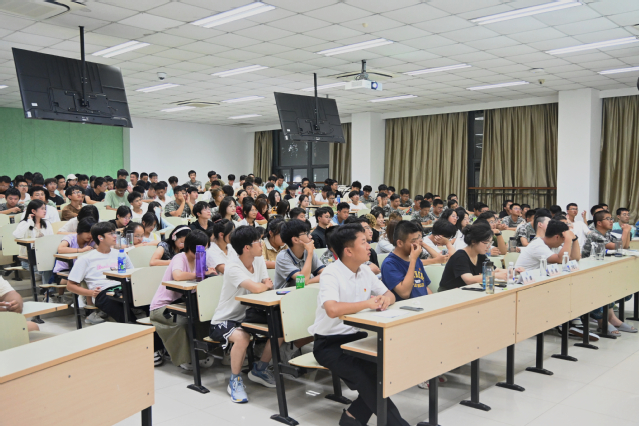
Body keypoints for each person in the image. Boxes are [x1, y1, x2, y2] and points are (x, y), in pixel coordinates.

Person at [308, 223, 408, 426]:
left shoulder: (364, 271)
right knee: (368, 380)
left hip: (357, 339)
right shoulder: (331, 273)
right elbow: (332, 309)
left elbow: (389, 294)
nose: (369, 246)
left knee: (383, 375)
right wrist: (367, 303)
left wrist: (385, 299)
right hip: (329, 344)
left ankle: (352, 418)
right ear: (349, 251)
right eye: (363, 242)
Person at [209, 226, 279, 402]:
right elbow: (258, 287)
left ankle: (260, 369)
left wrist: (263, 286)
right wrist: (263, 286)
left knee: (280, 328)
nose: (261, 244)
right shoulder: (233, 267)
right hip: (224, 320)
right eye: (258, 241)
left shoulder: (258, 260)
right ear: (247, 247)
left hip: (248, 316)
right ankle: (235, 380)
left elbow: (266, 282)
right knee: (242, 337)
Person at [150, 230, 214, 370]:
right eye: (201, 248)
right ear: (191, 247)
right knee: (183, 322)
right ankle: (185, 358)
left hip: (183, 303)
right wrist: (200, 274)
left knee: (202, 318)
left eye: (205, 248)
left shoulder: (200, 258)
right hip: (162, 306)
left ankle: (201, 354)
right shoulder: (179, 257)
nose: (203, 252)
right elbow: (177, 276)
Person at [66, 221, 135, 322]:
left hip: (123, 287)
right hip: (103, 293)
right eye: (111, 234)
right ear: (100, 238)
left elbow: (132, 274)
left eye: (115, 233)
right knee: (123, 313)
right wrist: (90, 293)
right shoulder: (86, 259)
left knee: (146, 300)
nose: (115, 236)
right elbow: (70, 285)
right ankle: (134, 325)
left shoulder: (121, 254)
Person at [439, 222, 511, 292]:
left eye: (490, 243)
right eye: (486, 243)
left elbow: (496, 270)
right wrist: (495, 275)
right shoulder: (460, 256)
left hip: (467, 291)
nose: (489, 246)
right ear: (473, 241)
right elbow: (469, 280)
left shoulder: (480, 255)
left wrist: (512, 271)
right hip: (449, 293)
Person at [381, 220, 432, 300]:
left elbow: (425, 287)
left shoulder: (415, 258)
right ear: (400, 243)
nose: (417, 243)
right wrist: (413, 260)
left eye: (418, 239)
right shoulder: (389, 264)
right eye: (413, 241)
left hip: (424, 303)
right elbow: (404, 293)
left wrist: (433, 301)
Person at [52, 218, 96, 302]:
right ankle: (85, 303)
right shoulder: (70, 238)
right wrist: (81, 250)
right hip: (64, 271)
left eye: (92, 233)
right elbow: (60, 249)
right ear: (80, 231)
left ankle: (88, 303)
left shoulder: (92, 241)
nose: (90, 235)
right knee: (84, 279)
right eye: (87, 232)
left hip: (81, 271)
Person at [275, 219, 325, 288]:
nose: (310, 236)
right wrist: (310, 253)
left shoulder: (308, 251)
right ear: (295, 240)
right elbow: (302, 280)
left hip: (304, 291)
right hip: (286, 293)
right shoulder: (283, 257)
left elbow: (325, 274)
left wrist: (308, 281)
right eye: (306, 233)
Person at [13, 200, 54, 285]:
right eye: (42, 209)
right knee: (47, 268)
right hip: (29, 258)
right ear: (33, 211)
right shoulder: (24, 223)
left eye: (45, 209)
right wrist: (29, 222)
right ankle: (48, 291)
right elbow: (16, 235)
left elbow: (51, 239)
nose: (45, 211)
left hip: (44, 256)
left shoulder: (46, 223)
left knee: (50, 267)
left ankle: (47, 291)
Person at [515, 218, 580, 270]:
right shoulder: (538, 245)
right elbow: (560, 260)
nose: (563, 241)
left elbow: (575, 258)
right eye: (564, 238)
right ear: (557, 237)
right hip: (523, 279)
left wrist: (575, 239)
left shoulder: (554, 246)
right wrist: (568, 239)